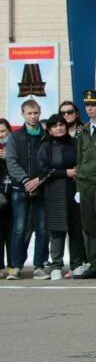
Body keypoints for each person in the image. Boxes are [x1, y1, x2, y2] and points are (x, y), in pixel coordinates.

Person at [4, 99, 48, 279]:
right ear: (23, 114)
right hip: (19, 189)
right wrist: (25, 180)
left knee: (43, 229)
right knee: (19, 229)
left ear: (40, 113)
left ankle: (39, 266)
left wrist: (39, 180)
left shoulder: (46, 137)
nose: (33, 116)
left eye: (35, 113)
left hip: (42, 188)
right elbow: (11, 162)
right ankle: (15, 266)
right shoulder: (14, 137)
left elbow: (49, 162)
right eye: (29, 113)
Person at [37, 114, 85, 277]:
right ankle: (56, 265)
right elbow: (42, 170)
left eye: (62, 125)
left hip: (75, 190)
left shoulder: (75, 143)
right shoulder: (46, 146)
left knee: (76, 229)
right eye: (55, 126)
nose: (59, 128)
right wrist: (66, 172)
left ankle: (76, 264)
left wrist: (77, 172)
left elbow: (83, 162)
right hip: (54, 191)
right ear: (49, 130)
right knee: (56, 230)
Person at [0, 119, 13, 278]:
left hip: (13, 193)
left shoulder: (14, 146)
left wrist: (7, 157)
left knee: (13, 232)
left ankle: (12, 264)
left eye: (3, 131)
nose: (1, 135)